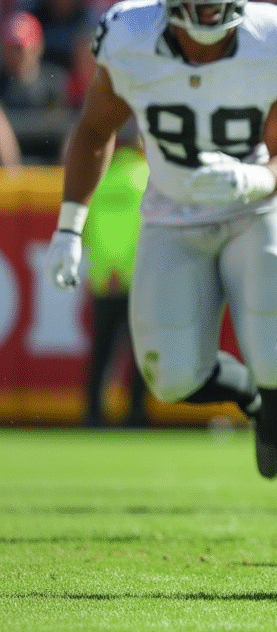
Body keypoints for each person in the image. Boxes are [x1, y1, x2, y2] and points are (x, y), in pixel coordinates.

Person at [41, 0, 277, 541]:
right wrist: (70, 226)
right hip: (172, 214)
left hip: (257, 208)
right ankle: (254, 403)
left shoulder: (273, 40)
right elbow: (95, 131)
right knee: (170, 377)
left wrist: (255, 180)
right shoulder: (129, 36)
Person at [82, 132, 150, 428]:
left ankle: (94, 414)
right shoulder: (148, 176)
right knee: (141, 354)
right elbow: (147, 231)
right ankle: (136, 414)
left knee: (102, 353)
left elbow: (89, 233)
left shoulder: (101, 179)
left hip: (102, 279)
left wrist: (108, 269)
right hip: (137, 279)